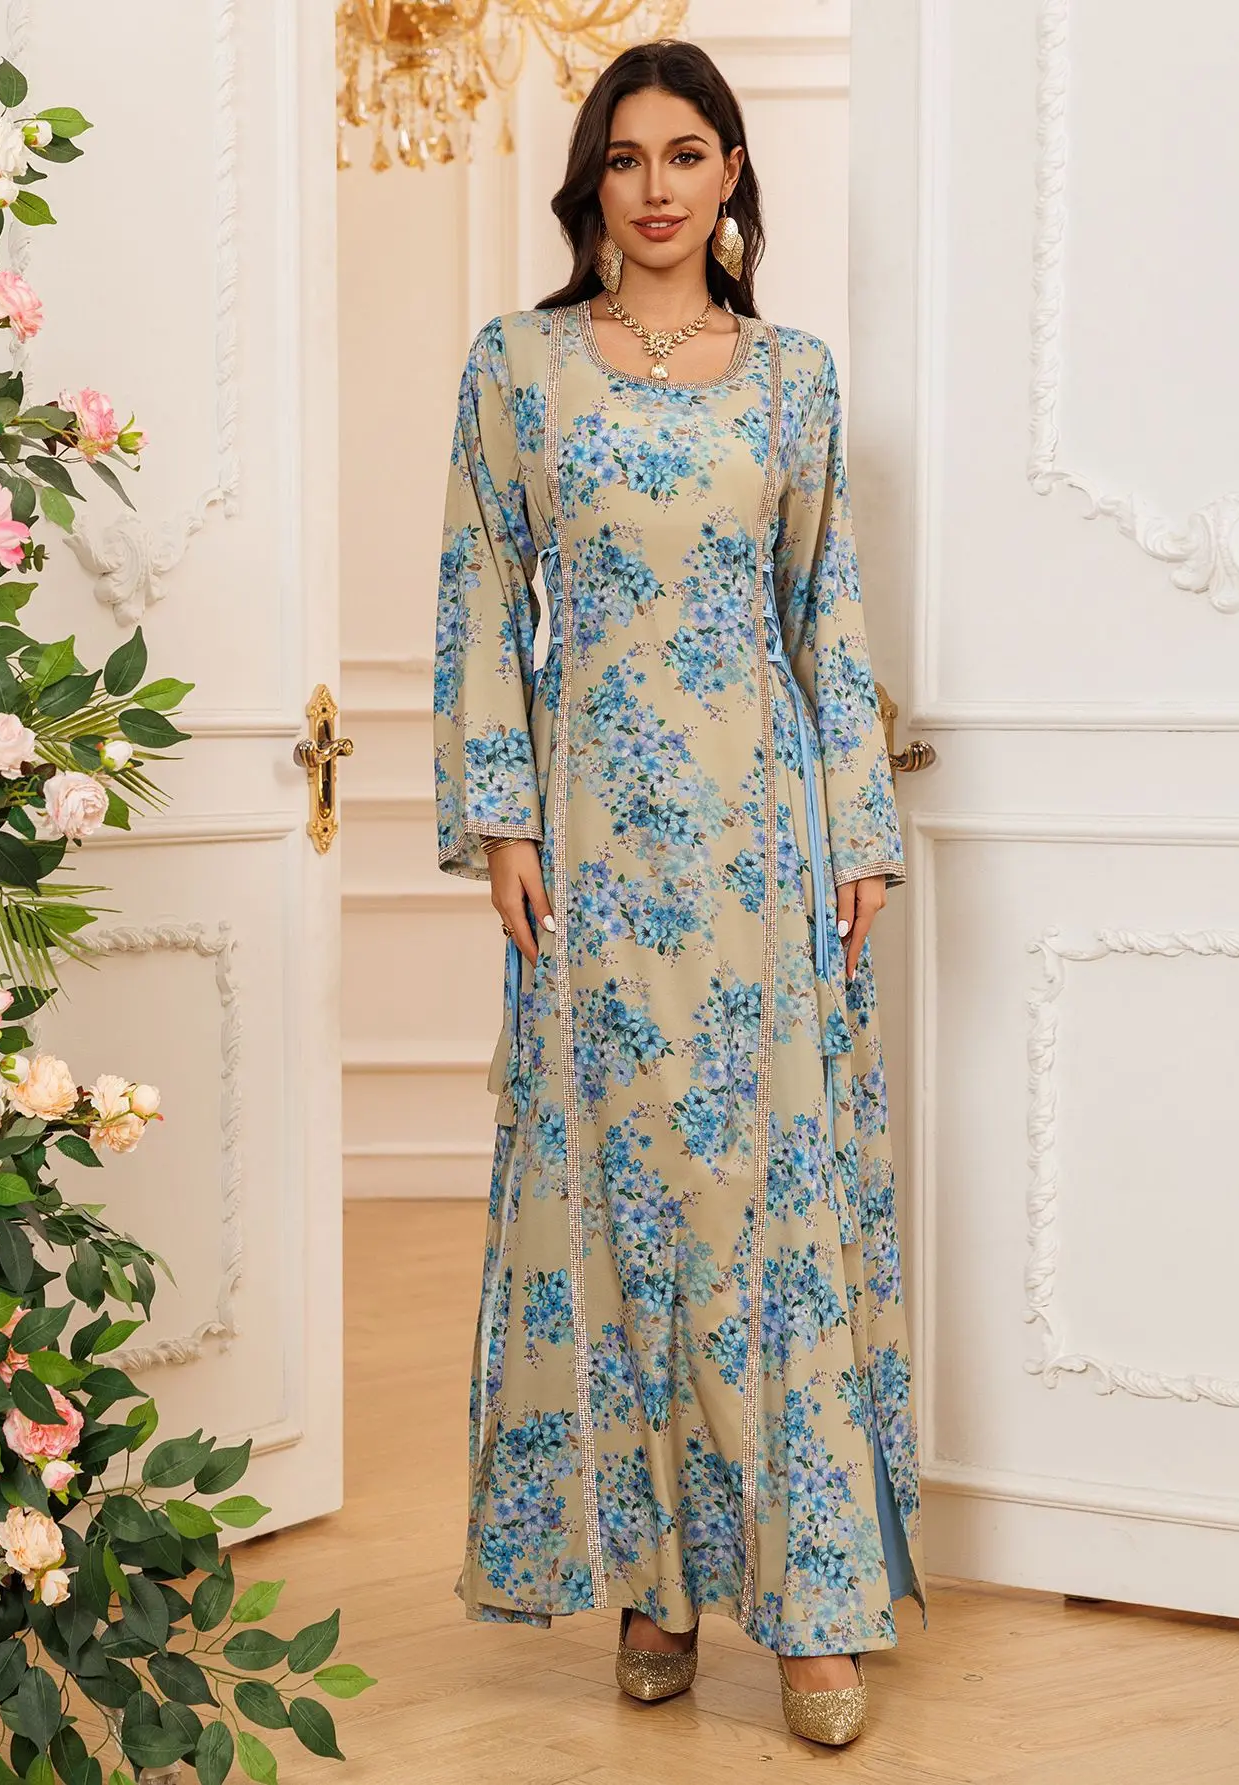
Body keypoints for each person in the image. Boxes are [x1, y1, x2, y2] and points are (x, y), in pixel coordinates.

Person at [431, 36, 924, 1748]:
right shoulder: (518, 367)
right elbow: (479, 594)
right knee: (623, 1210)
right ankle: (654, 1585)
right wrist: (503, 825)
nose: (656, 187)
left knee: (763, 1215)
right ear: (594, 182)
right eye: (628, 157)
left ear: (732, 177)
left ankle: (813, 1605)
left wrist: (860, 831)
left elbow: (825, 613)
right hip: (590, 862)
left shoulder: (793, 380)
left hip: (761, 857)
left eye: (688, 153)